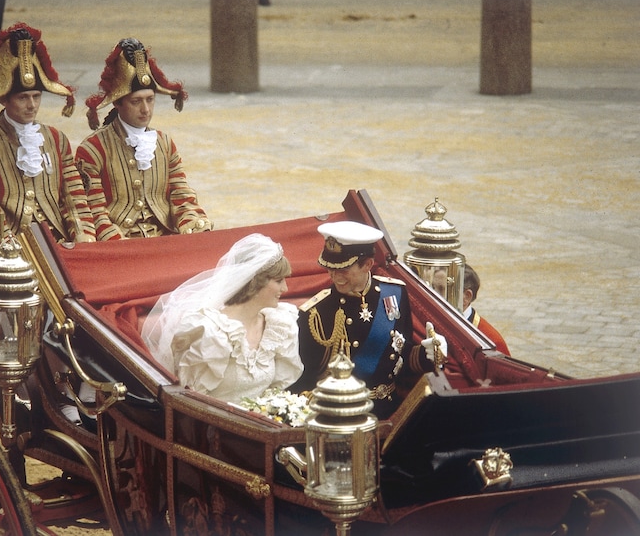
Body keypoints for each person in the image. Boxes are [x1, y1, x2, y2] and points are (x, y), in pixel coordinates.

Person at [0, 23, 95, 276]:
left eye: (36, 96)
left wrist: (82, 234)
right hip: (3, 253)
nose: (32, 105)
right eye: (23, 98)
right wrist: (12, 250)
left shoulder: (57, 139)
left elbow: (74, 196)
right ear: (4, 99)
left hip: (58, 246)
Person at [291, 221, 447, 419]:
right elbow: (302, 379)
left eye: (343, 269)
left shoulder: (395, 293)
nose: (335, 276)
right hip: (340, 416)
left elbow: (399, 355)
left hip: (389, 411)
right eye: (330, 268)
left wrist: (427, 355)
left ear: (367, 265)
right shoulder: (315, 313)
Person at [77, 38, 212, 240]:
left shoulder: (165, 144)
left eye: (150, 99)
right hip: (118, 246)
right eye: (136, 102)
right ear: (118, 104)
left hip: (163, 240)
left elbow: (181, 197)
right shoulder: (92, 149)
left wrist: (194, 226)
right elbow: (93, 212)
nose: (146, 110)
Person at [142, 234, 303, 402]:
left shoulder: (279, 325)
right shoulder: (210, 332)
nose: (285, 288)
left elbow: (277, 390)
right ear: (255, 281)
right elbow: (192, 401)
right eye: (278, 281)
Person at [463, 265, 511, 355]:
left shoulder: (492, 343)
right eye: (433, 287)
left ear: (466, 297)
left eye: (442, 289)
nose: (434, 295)